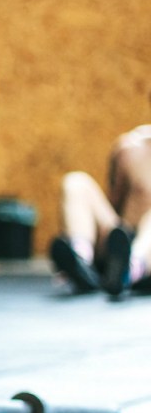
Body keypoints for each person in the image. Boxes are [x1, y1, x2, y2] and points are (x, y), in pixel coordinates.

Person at [50, 120, 151, 298]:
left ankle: (130, 269)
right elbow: (115, 202)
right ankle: (81, 262)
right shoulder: (129, 148)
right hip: (121, 241)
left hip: (145, 255)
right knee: (76, 182)